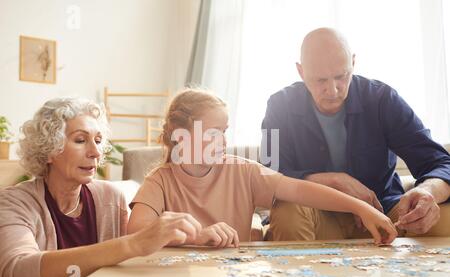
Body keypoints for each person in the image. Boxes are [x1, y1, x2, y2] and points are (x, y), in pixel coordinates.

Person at [127, 88, 397, 248]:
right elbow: (136, 232)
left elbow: (301, 191)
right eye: (213, 132)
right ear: (180, 135)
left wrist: (360, 207)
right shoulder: (160, 181)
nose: (223, 140)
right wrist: (196, 237)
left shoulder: (242, 171)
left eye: (224, 131)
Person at [0, 97, 202, 277]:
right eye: (80, 140)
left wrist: (198, 237)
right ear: (49, 149)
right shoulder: (13, 203)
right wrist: (131, 244)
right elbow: (18, 276)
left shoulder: (111, 198)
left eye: (98, 141)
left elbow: (134, 258)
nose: (96, 152)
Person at [261, 27, 450, 241]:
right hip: (317, 215)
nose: (332, 90)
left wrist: (428, 191)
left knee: (443, 215)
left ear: (353, 62)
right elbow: (266, 176)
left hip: (384, 213)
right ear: (301, 71)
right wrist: (331, 181)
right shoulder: (278, 105)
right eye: (320, 80)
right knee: (288, 211)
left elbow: (441, 163)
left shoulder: (382, 99)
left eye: (341, 76)